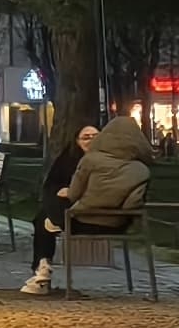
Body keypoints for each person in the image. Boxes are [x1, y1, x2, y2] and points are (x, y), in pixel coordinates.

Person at [24, 115, 151, 294]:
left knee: (45, 216)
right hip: (117, 225)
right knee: (45, 213)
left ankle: (42, 270)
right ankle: (43, 265)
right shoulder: (141, 169)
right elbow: (134, 202)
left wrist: (74, 193)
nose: (91, 140)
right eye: (86, 137)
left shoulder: (90, 161)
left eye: (95, 136)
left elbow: (74, 193)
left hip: (81, 221)